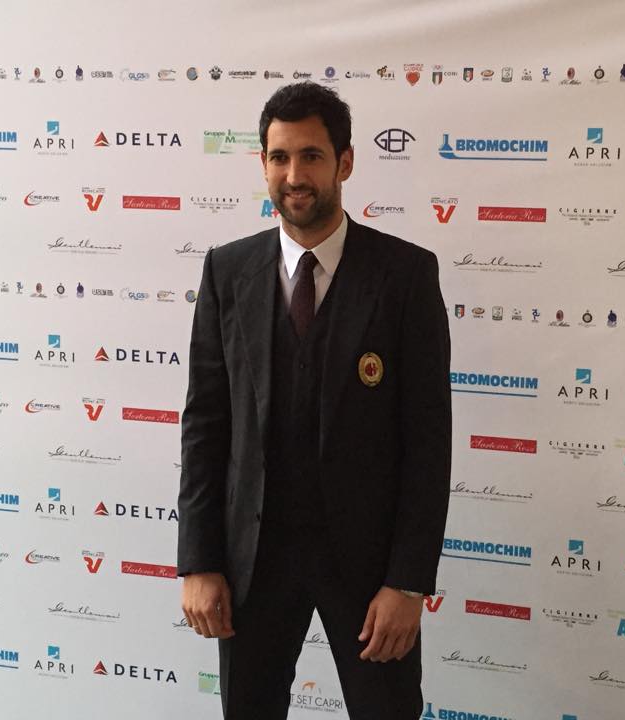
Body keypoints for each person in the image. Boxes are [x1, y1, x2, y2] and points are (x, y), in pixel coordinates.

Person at [177, 81, 451, 720]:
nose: (294, 175)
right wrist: (199, 561)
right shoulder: (227, 271)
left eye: (311, 156)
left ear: (344, 163)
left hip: (370, 567)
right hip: (253, 561)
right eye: (279, 157)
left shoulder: (405, 275)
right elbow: (206, 425)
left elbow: (428, 440)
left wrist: (408, 582)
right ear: (263, 164)